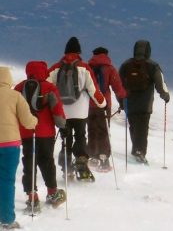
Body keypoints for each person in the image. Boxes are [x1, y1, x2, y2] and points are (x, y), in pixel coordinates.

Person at [48, 36, 106, 181]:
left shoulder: (56, 67)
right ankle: (81, 158)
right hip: (80, 111)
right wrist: (102, 104)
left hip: (63, 111)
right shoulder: (84, 68)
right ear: (79, 52)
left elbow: (46, 85)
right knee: (80, 136)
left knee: (65, 138)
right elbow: (93, 89)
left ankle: (66, 168)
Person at [15, 61, 67, 213]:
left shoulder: (19, 88)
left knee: (29, 163)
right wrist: (63, 127)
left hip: (26, 132)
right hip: (45, 133)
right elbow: (57, 110)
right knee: (47, 161)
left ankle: (32, 197)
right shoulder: (49, 88)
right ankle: (52, 193)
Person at [118, 40, 170, 164]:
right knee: (142, 128)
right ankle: (140, 152)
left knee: (134, 126)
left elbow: (119, 85)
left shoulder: (126, 65)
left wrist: (121, 102)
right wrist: (165, 96)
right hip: (145, 104)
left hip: (129, 102)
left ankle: (135, 149)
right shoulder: (152, 66)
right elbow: (160, 84)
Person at [0, 66, 37, 231]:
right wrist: (35, 121)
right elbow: (28, 122)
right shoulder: (15, 96)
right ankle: (6, 220)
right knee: (7, 181)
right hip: (9, 145)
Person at [87, 47, 127, 172]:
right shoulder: (110, 68)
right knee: (103, 131)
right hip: (104, 105)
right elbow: (117, 87)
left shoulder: (88, 68)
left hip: (89, 105)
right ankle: (104, 159)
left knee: (92, 130)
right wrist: (122, 101)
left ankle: (93, 157)